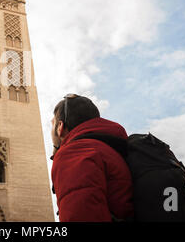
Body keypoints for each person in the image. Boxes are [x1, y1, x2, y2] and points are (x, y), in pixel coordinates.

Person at [50, 94, 134, 222]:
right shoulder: (112, 149)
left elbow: (81, 215)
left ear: (60, 127)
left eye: (52, 124)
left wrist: (57, 150)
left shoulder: (74, 153)